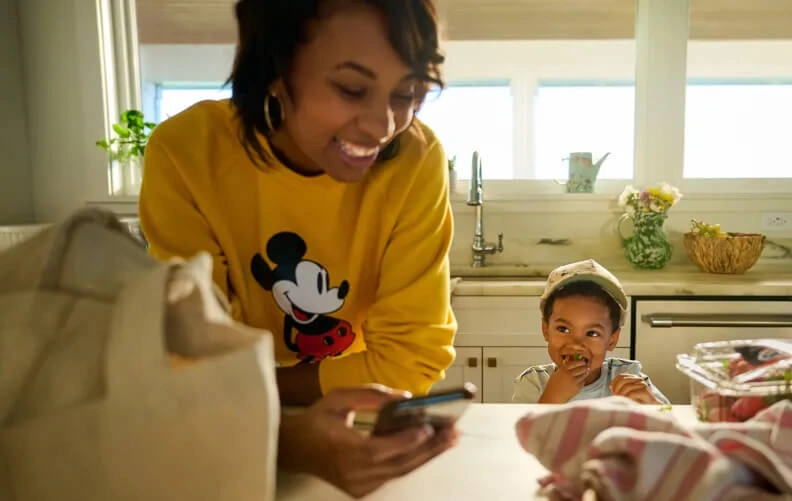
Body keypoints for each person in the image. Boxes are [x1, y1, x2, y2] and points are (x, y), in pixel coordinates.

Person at [138, 0, 458, 496]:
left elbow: (412, 360)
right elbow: (185, 361)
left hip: (350, 429)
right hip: (213, 436)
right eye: (352, 89)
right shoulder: (186, 152)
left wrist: (252, 384)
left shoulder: (416, 161)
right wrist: (283, 429)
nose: (383, 126)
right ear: (276, 68)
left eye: (407, 92)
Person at [512, 259, 669, 405]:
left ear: (612, 340)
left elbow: (673, 424)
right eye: (563, 329)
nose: (576, 344)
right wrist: (552, 398)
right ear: (546, 330)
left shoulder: (629, 376)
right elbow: (516, 433)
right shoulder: (533, 383)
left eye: (592, 333)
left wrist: (651, 405)